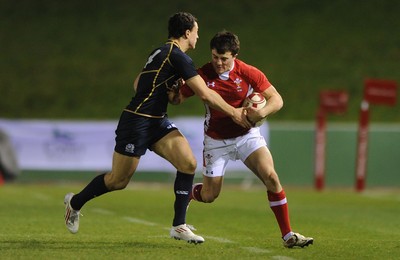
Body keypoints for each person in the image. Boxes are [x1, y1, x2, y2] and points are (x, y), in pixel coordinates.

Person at [64, 13, 251, 244]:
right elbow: (205, 93)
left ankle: (179, 226)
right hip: (137, 121)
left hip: (157, 120)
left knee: (188, 164)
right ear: (187, 33)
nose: (198, 36)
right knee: (118, 181)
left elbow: (137, 83)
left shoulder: (160, 52)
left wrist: (164, 88)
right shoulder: (178, 57)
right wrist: (234, 112)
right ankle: (75, 203)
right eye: (196, 31)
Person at [170, 30, 313, 248]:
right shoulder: (203, 75)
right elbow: (177, 99)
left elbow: (276, 99)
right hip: (216, 141)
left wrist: (261, 113)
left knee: (271, 177)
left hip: (247, 137)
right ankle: (188, 194)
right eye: (215, 57)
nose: (218, 62)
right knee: (209, 196)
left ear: (234, 56)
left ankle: (288, 236)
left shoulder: (248, 72)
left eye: (224, 58)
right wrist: (172, 91)